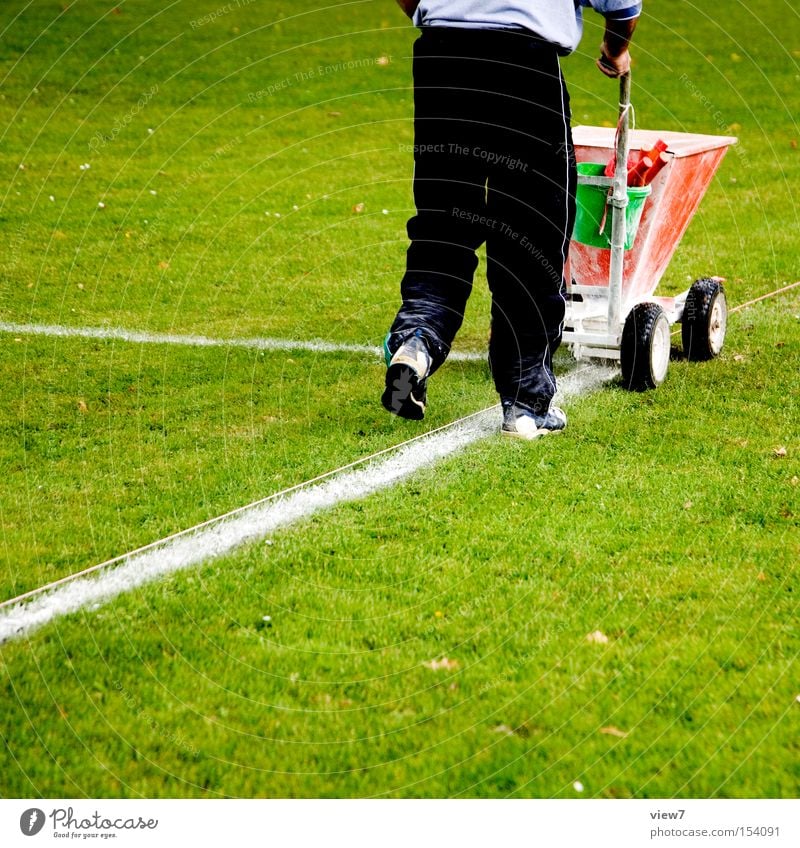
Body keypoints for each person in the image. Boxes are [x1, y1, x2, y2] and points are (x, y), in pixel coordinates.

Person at [382, 0, 641, 438]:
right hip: (524, 63)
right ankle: (526, 402)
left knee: (443, 223)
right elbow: (622, 5)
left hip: (441, 57)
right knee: (530, 232)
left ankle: (417, 342)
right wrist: (615, 49)